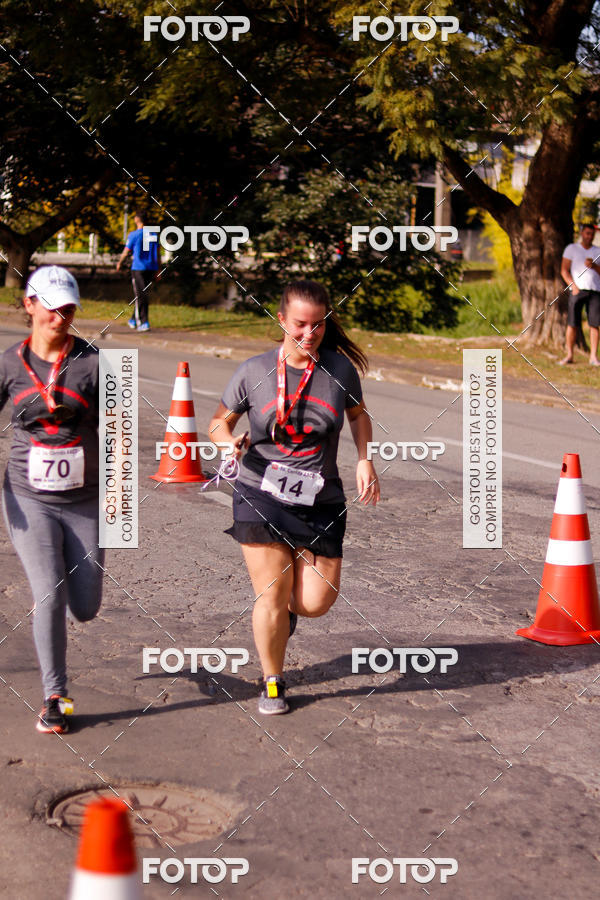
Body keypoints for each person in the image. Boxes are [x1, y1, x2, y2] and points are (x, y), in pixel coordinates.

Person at [209, 280, 379, 715]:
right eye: (301, 324)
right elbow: (217, 423)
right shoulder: (254, 371)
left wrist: (364, 459)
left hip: (321, 499)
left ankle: (285, 614)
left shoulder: (339, 371)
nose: (309, 333)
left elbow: (358, 416)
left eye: (318, 324)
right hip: (260, 493)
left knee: (314, 602)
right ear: (282, 319)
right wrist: (228, 442)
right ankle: (273, 680)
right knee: (270, 592)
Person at [0, 266, 103, 734]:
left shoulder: (96, 364)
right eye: (51, 307)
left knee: (86, 606)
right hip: (28, 496)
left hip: (84, 498)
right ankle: (54, 697)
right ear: (29, 304)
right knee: (49, 591)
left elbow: (121, 439)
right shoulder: (9, 364)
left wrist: (121, 511)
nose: (60, 317)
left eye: (68, 309)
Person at [560, 222, 600, 366]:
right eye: (587, 233)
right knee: (572, 323)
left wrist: (594, 266)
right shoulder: (572, 249)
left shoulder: (598, 251)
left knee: (594, 324)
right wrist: (572, 285)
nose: (590, 236)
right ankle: (569, 355)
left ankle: (593, 357)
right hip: (577, 290)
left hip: (595, 291)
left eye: (592, 234)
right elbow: (564, 270)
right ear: (582, 233)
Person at [117, 208, 160, 332]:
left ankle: (142, 321)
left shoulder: (134, 235)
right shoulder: (153, 235)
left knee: (141, 295)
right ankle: (134, 320)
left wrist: (120, 262)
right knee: (142, 295)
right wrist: (158, 270)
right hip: (150, 268)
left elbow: (126, 251)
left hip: (138, 268)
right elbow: (158, 254)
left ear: (136, 219)